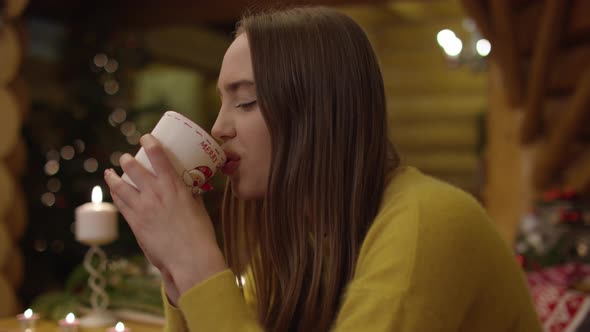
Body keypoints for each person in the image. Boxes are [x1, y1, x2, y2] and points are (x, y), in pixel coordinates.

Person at [104, 6, 542, 332]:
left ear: (318, 112)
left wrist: (199, 262)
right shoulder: (306, 237)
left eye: (246, 100)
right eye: (221, 101)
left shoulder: (429, 221)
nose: (218, 127)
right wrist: (176, 271)